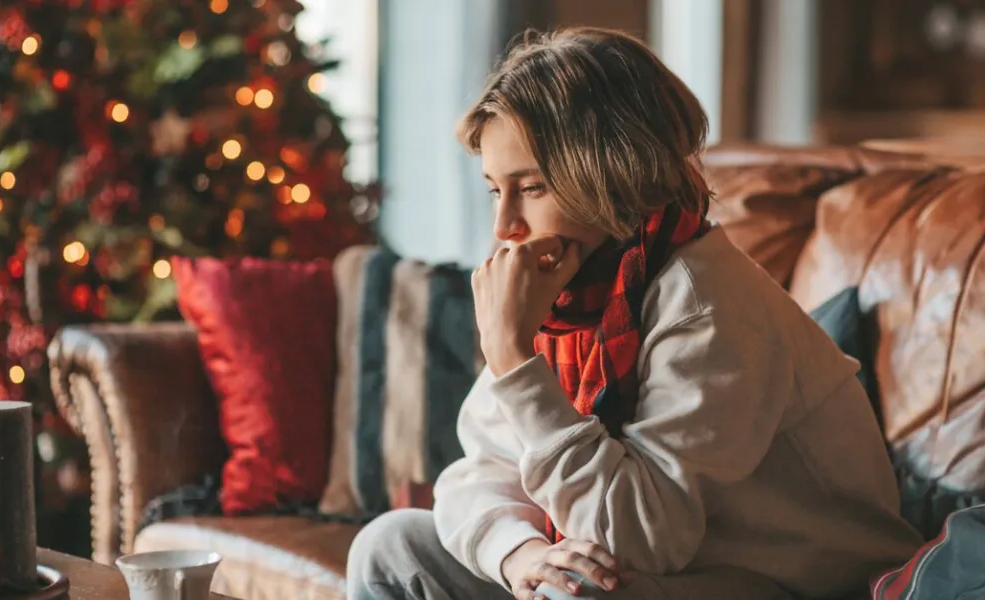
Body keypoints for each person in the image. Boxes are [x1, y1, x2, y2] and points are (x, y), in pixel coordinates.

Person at [347, 27, 922, 600]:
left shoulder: (705, 304)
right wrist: (521, 554)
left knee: (579, 588)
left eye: (533, 187)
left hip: (793, 583)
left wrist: (514, 360)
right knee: (389, 547)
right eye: (498, 190)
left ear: (610, 174)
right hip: (664, 571)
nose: (505, 228)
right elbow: (480, 472)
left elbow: (640, 540)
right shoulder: (569, 297)